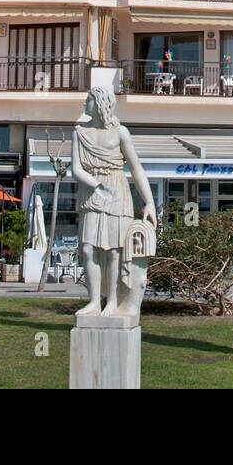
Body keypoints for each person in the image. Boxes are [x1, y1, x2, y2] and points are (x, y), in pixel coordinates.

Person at [72, 85, 157, 317]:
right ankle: (93, 301)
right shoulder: (79, 132)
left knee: (114, 251)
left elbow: (136, 168)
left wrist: (149, 202)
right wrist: (96, 186)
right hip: (92, 194)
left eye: (88, 99)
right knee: (88, 249)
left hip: (118, 193)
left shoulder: (120, 132)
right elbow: (76, 169)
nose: (84, 103)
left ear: (100, 104)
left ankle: (112, 301)